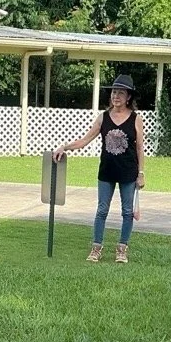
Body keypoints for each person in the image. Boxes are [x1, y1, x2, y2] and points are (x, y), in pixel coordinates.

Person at [52, 75, 146, 264]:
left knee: (127, 212)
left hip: (128, 172)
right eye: (114, 92)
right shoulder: (103, 118)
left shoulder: (136, 119)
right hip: (107, 172)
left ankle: (122, 249)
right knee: (102, 210)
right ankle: (96, 248)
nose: (116, 96)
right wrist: (65, 147)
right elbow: (85, 140)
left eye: (121, 93)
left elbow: (139, 148)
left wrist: (141, 173)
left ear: (128, 97)